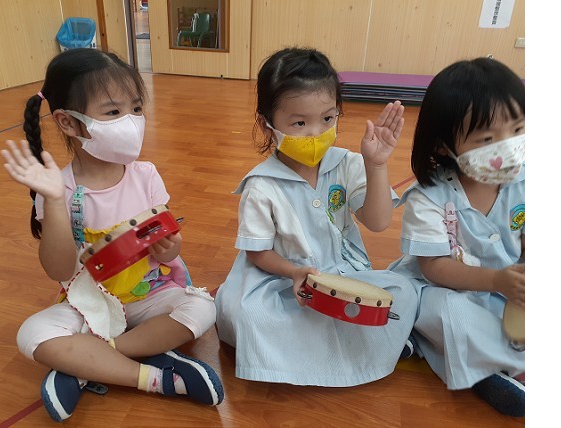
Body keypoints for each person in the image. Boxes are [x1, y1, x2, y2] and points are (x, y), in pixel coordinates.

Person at [0, 48, 223, 422]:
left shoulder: (145, 175)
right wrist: (53, 200)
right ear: (68, 122)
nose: (132, 122)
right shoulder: (57, 188)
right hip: (89, 302)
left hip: (150, 293)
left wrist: (171, 248)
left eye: (136, 108)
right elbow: (58, 269)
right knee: (32, 334)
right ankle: (155, 378)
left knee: (202, 308)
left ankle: (89, 362)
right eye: (113, 112)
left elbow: (166, 250)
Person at [214, 47, 418, 387]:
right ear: (267, 124)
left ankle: (322, 347)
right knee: (245, 313)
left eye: (327, 118)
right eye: (299, 123)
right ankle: (364, 344)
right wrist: (294, 272)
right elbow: (257, 252)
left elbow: (378, 221)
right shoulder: (261, 184)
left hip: (343, 274)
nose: (315, 132)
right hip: (283, 279)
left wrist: (376, 164)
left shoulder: (347, 164)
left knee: (405, 291)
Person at [387, 57, 525, 417]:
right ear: (443, 146)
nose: (508, 147)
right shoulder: (430, 197)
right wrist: (496, 280)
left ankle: (481, 364)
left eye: (518, 130)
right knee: (451, 314)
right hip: (445, 287)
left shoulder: (526, 180)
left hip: (507, 287)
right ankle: (496, 371)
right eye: (488, 139)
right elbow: (434, 267)